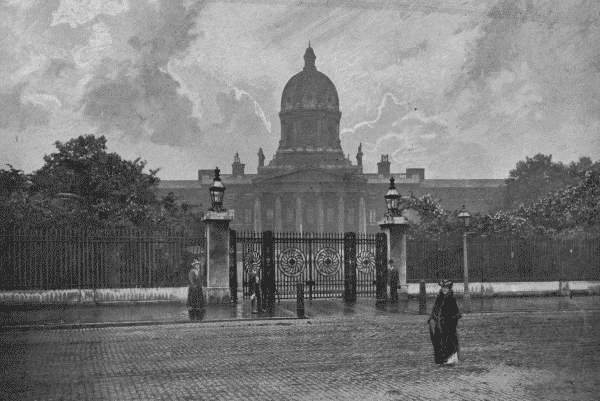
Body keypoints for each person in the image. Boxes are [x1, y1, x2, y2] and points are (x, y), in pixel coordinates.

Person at [427, 279, 462, 364]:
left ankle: (450, 358)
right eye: (443, 287)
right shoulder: (439, 298)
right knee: (438, 343)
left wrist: (451, 323)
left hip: (449, 327)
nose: (444, 289)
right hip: (439, 327)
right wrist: (432, 319)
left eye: (446, 288)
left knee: (449, 342)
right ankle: (440, 359)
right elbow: (435, 310)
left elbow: (456, 314)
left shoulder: (451, 299)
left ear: (449, 288)